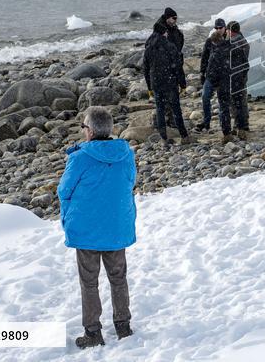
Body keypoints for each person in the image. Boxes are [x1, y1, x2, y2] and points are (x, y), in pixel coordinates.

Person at [58, 106, 136, 349]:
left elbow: (64, 190)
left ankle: (93, 332)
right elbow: (131, 182)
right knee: (118, 278)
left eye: (83, 126)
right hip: (116, 227)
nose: (83, 131)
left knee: (89, 282)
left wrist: (68, 214)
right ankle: (123, 325)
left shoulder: (79, 158)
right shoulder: (126, 154)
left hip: (87, 229)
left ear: (90, 131)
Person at [142, 21, 188, 143]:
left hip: (156, 82)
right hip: (170, 82)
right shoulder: (170, 46)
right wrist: (182, 84)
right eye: (166, 32)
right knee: (176, 108)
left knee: (160, 109)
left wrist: (149, 87)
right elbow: (178, 67)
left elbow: (145, 70)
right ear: (164, 33)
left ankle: (163, 137)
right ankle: (184, 135)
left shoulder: (148, 48)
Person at [202, 30, 234, 138]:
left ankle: (207, 123)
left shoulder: (215, 52)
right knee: (224, 107)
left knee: (210, 100)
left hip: (217, 80)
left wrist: (207, 78)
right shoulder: (229, 47)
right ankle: (227, 131)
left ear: (214, 42)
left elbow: (211, 68)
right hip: (225, 79)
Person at [197, 18, 228, 131]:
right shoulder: (210, 41)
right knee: (205, 98)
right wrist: (202, 72)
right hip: (210, 75)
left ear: (225, 28)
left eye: (220, 27)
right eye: (217, 28)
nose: (219, 30)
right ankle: (206, 122)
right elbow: (204, 57)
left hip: (223, 76)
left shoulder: (228, 41)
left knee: (222, 101)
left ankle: (224, 124)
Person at [226, 21, 251, 136]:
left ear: (230, 31)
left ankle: (238, 124)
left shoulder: (234, 42)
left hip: (235, 76)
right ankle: (244, 124)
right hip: (242, 75)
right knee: (242, 100)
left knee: (234, 102)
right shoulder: (244, 41)